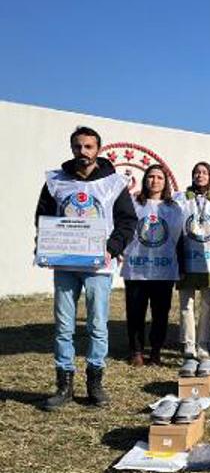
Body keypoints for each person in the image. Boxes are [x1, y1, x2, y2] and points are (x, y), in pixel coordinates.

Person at [34, 126, 137, 410]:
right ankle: (64, 385)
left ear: (98, 150)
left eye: (89, 147)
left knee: (97, 325)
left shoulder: (114, 183)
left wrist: (111, 248)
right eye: (78, 147)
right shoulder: (56, 181)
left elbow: (128, 221)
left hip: (99, 265)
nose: (83, 152)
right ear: (72, 148)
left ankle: (95, 383)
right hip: (65, 263)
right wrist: (45, 244)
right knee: (64, 326)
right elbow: (43, 216)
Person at [122, 165, 184, 366]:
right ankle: (136, 351)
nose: (155, 181)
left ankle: (156, 351)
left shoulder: (174, 208)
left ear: (165, 183)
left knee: (160, 314)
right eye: (151, 177)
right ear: (145, 180)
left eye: (159, 177)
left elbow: (180, 238)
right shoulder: (133, 203)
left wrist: (181, 266)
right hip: (137, 268)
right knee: (135, 312)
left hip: (163, 269)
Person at [175, 162, 210, 363]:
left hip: (209, 260)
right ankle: (188, 344)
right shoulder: (182, 198)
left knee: (207, 304)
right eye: (196, 172)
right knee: (186, 304)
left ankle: (204, 344)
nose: (200, 175)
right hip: (187, 258)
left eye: (204, 172)